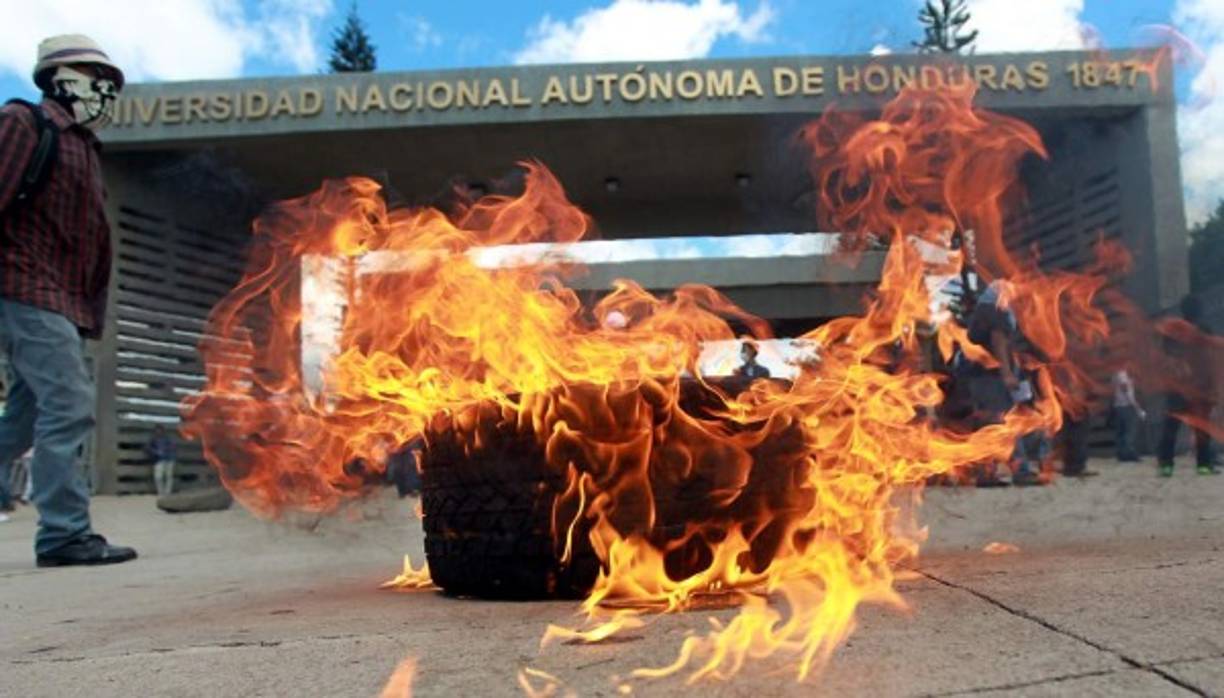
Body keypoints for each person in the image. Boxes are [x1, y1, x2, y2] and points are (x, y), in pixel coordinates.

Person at [0, 35, 136, 565]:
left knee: (22, 420)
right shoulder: (24, 124)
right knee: (70, 406)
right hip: (25, 289)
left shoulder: (82, 146)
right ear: (63, 78)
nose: (108, 92)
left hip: (60, 302)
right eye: (99, 79)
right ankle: (63, 535)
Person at [1156, 295, 1219, 477]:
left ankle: (1166, 465)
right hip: (1197, 387)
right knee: (1200, 428)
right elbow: (1210, 360)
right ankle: (1203, 465)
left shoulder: (1173, 329)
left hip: (1180, 386)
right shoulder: (1203, 329)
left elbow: (1167, 356)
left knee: (1172, 425)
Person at [1110, 368, 1146, 462]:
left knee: (1121, 432)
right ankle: (1129, 454)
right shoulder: (1122, 374)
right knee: (1129, 432)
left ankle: (1121, 454)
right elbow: (1126, 391)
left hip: (1119, 405)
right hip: (1126, 406)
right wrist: (1137, 408)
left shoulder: (1116, 373)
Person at [145, 425, 177, 497]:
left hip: (169, 459)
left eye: (160, 430)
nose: (159, 432)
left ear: (163, 431)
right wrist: (156, 452)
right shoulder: (153, 439)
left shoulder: (168, 439)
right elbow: (147, 448)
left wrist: (168, 450)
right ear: (155, 431)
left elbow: (173, 447)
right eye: (157, 430)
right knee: (158, 477)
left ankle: (167, 493)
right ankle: (161, 493)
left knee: (169, 476)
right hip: (159, 460)